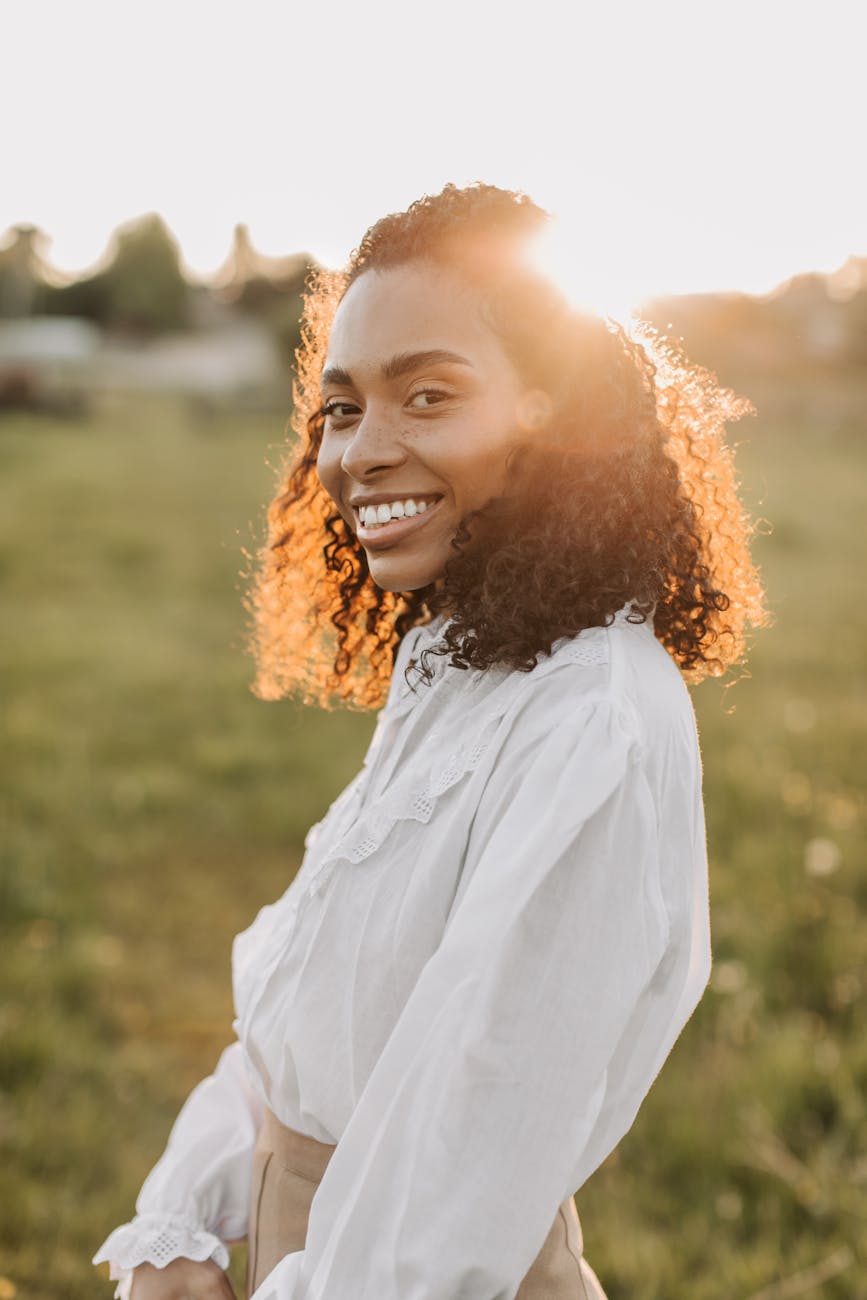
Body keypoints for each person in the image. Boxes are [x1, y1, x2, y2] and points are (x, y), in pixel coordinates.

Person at [93, 183, 769, 1299]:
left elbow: (460, 1162)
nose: (362, 452)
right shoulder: (459, 659)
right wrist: (181, 1220)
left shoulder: (591, 718)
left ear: (553, 410)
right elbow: (305, 1022)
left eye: (430, 394)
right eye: (343, 407)